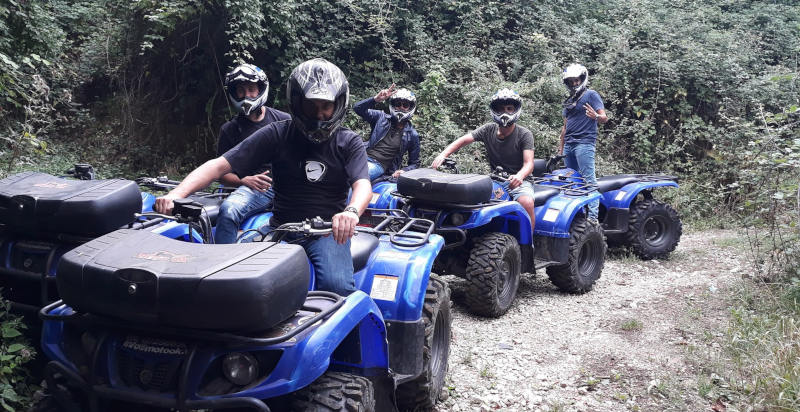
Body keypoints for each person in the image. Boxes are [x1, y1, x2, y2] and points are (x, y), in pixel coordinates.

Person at [155, 58, 371, 295]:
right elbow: (217, 167)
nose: (319, 115)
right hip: (281, 228)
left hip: (327, 233)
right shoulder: (278, 133)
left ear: (338, 105)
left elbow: (362, 185)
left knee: (336, 288)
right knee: (230, 277)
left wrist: (351, 212)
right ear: (297, 103)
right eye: (311, 106)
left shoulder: (348, 142)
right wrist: (177, 194)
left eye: (326, 106)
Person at [431, 88, 536, 226]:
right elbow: (463, 140)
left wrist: (520, 176)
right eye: (501, 108)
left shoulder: (524, 134)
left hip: (520, 182)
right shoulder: (488, 129)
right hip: (496, 179)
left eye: (509, 108)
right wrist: (443, 154)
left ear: (515, 110)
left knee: (526, 202)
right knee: (469, 199)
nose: (505, 112)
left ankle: (529, 238)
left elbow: (529, 163)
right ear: (494, 110)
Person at [214, 63, 290, 244]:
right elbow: (221, 174)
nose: (246, 95)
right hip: (254, 189)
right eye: (241, 90)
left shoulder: (283, 120)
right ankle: (223, 258)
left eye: (251, 89)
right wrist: (243, 180)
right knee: (229, 210)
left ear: (260, 90)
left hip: (286, 187)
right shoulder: (230, 129)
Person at [557, 63, 608, 223]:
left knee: (588, 180)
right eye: (571, 81)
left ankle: (593, 219)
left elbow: (604, 118)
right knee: (572, 180)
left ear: (582, 79)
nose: (574, 84)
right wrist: (560, 149)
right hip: (569, 144)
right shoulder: (569, 101)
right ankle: (578, 215)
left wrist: (596, 117)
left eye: (576, 80)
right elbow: (565, 127)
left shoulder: (591, 95)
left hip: (584, 143)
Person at [353, 84, 421, 181]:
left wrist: (404, 170)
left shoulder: (412, 134)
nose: (401, 107)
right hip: (362, 156)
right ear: (393, 105)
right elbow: (357, 108)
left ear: (410, 108)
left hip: (378, 165)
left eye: (405, 105)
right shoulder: (381, 118)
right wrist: (375, 99)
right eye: (398, 104)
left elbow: (415, 163)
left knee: (356, 177)